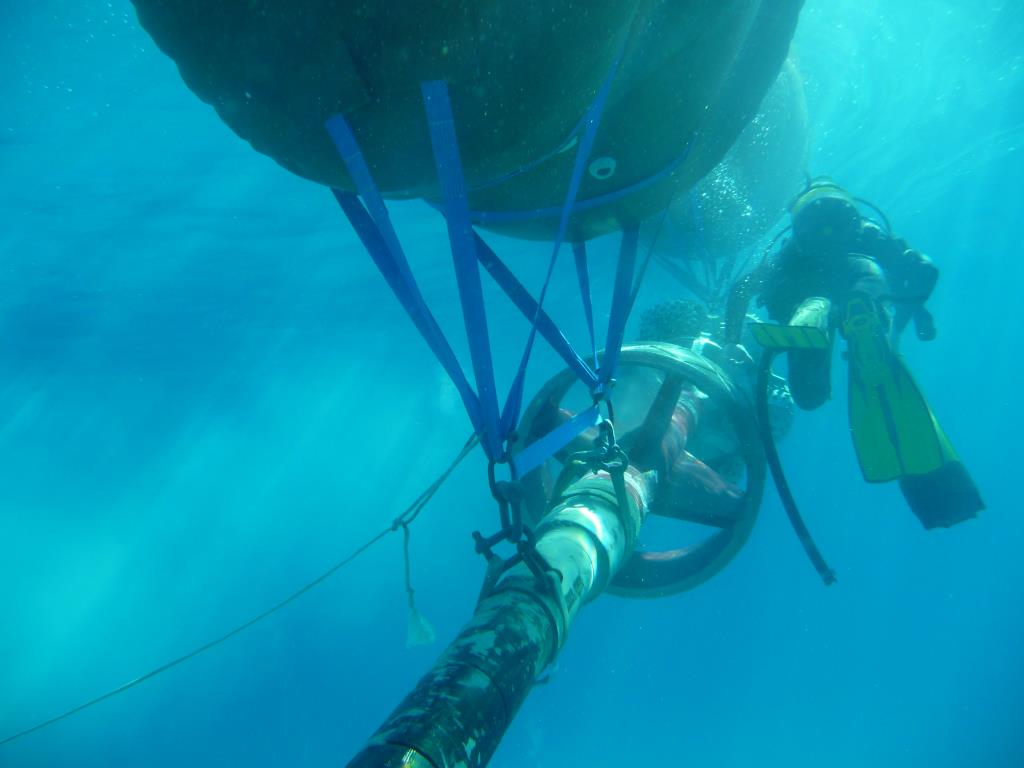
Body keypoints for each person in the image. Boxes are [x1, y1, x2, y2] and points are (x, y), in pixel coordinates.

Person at [725, 177, 983, 529]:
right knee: (865, 280)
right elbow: (924, 268)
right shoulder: (863, 230)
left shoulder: (790, 247)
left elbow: (741, 288)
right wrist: (912, 314)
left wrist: (731, 339)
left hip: (800, 285)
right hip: (855, 274)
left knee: (810, 396)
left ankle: (811, 315)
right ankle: (864, 318)